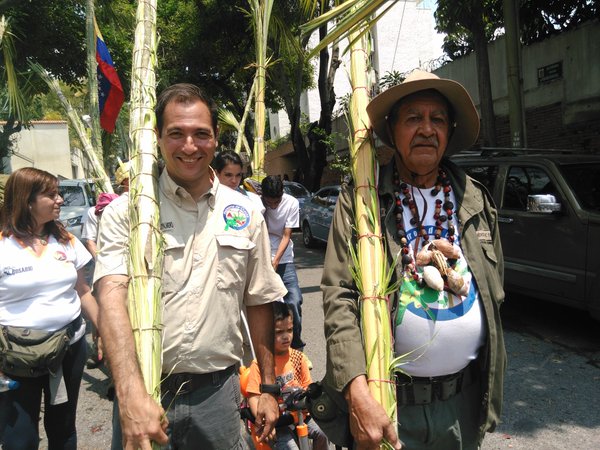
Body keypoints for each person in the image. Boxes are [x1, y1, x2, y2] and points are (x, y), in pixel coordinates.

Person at [93, 83, 287, 450]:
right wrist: (130, 391)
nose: (189, 146)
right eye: (176, 134)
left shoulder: (245, 212)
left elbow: (259, 300)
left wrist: (267, 388)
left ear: (216, 138)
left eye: (201, 134)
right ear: (158, 137)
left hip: (218, 396)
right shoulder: (129, 211)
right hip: (146, 391)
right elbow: (111, 297)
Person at [321, 69, 506, 449]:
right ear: (392, 129)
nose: (426, 129)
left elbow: (495, 291)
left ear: (450, 130)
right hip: (389, 405)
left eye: (436, 119)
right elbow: (338, 298)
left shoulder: (474, 198)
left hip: (462, 406)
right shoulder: (362, 200)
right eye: (413, 118)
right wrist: (357, 393)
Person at [0, 167, 99, 449]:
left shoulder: (66, 240)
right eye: (51, 194)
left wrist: (106, 333)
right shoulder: (3, 244)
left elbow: (83, 291)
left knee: (64, 426)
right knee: (20, 436)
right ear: (26, 200)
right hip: (15, 357)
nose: (60, 200)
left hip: (68, 349)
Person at [245, 302, 328, 450]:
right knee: (290, 447)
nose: (286, 336)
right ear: (267, 332)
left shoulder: (298, 358)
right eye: (278, 332)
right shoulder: (259, 365)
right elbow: (253, 397)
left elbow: (307, 388)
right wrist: (265, 422)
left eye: (289, 330)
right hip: (278, 421)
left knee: (323, 433)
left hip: (301, 415)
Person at [261, 175, 305, 350]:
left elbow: (287, 235)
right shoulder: (257, 203)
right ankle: (268, 346)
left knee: (293, 301)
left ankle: (297, 347)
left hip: (284, 259)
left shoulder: (291, 203)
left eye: (276, 202)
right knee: (266, 307)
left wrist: (276, 260)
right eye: (269, 202)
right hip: (262, 259)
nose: (273, 206)